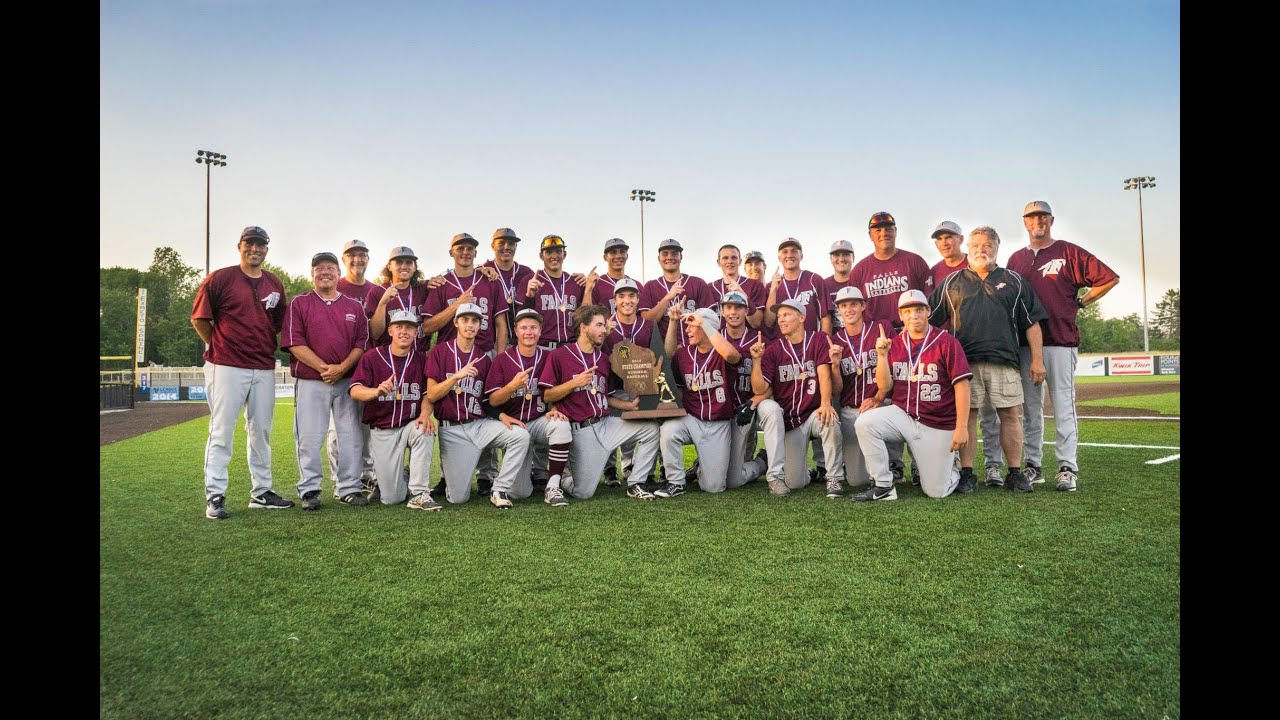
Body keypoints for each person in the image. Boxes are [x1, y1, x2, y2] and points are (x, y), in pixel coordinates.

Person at [1007, 201, 1120, 491]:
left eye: (1042, 216)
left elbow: (1109, 278)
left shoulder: (1068, 252)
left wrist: (1082, 301)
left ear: (1051, 220)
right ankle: (1033, 466)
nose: (1038, 221)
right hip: (1025, 345)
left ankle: (1067, 467)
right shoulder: (1016, 259)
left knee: (1063, 407)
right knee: (1030, 410)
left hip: (1060, 340)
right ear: (1025, 223)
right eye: (1032, 217)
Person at [929, 227, 1047, 494]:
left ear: (997, 247)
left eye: (988, 245)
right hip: (964, 365)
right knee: (967, 416)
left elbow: (1032, 323)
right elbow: (930, 321)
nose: (982, 249)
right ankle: (967, 473)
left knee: (1010, 415)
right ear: (967, 249)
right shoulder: (951, 282)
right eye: (976, 245)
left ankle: (1014, 473)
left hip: (1005, 360)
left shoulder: (1014, 281)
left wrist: (1037, 360)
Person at [191, 225, 293, 519]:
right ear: (240, 246)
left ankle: (262, 492)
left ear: (266, 250)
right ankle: (215, 495)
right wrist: (219, 345)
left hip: (262, 365)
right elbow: (200, 319)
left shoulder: (274, 283)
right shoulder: (221, 278)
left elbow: (277, 323)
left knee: (261, 431)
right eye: (250, 243)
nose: (255, 249)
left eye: (260, 244)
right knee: (222, 431)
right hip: (226, 365)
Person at [852, 290, 972, 501]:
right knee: (865, 422)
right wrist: (882, 356)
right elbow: (885, 386)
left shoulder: (946, 342)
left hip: (937, 422)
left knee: (936, 492)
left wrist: (961, 427)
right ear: (900, 315)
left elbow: (962, 386)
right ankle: (883, 485)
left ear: (928, 311)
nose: (913, 315)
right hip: (904, 415)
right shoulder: (895, 343)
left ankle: (950, 466)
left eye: (918, 310)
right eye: (907, 311)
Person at [539, 304, 661, 500]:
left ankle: (636, 482)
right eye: (599, 325)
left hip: (606, 424)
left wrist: (628, 406)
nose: (604, 330)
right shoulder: (559, 355)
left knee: (651, 430)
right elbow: (547, 396)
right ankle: (564, 476)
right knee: (583, 493)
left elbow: (606, 396)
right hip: (582, 431)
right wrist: (574, 383)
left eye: (604, 325)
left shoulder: (604, 359)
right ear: (583, 327)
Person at [282, 251, 371, 510]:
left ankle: (349, 487)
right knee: (309, 436)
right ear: (312, 274)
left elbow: (361, 343)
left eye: (330, 268)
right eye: (319, 268)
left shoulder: (353, 306)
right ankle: (310, 489)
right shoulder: (299, 303)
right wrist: (325, 369)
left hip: (346, 381)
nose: (325, 272)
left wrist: (341, 368)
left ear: (338, 273)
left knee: (350, 436)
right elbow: (294, 342)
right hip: (311, 380)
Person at [422, 303, 531, 507]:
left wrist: (501, 416)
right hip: (452, 430)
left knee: (520, 435)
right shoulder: (440, 351)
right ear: (456, 323)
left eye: (474, 321)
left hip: (479, 425)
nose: (470, 325)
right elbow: (433, 395)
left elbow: (486, 401)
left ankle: (499, 489)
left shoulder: (484, 358)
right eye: (465, 320)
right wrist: (456, 377)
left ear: (480, 325)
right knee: (457, 499)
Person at [928, 221, 1003, 487]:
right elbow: (930, 315)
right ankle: (962, 466)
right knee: (964, 413)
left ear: (961, 240)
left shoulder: (987, 268)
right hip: (957, 354)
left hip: (993, 351)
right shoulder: (937, 273)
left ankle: (993, 465)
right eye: (940, 238)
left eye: (950, 237)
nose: (945, 242)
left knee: (991, 414)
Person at [348, 309, 442, 510]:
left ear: (415, 333)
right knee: (392, 498)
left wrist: (425, 415)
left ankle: (419, 493)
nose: (404, 331)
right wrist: (375, 391)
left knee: (424, 429)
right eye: (399, 326)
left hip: (409, 425)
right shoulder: (372, 357)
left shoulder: (421, 360)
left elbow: (428, 395)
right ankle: (403, 475)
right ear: (390, 331)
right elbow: (355, 390)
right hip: (383, 429)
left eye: (409, 327)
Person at [749, 298, 844, 497]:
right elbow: (759, 389)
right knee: (795, 482)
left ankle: (833, 478)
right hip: (790, 420)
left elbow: (823, 375)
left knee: (830, 419)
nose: (781, 320)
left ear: (801, 318)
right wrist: (756, 361)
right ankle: (806, 473)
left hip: (814, 413)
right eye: (779, 316)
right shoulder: (774, 349)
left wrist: (825, 404)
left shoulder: (818, 339)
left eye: (787, 315)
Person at [484, 308, 575, 506]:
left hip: (538, 421)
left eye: (533, 327)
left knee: (560, 425)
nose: (529, 332)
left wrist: (555, 406)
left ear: (540, 331)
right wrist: (512, 386)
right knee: (520, 493)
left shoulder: (550, 356)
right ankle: (518, 478)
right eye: (524, 327)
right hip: (514, 426)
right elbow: (492, 401)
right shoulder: (502, 359)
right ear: (516, 331)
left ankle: (553, 486)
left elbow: (559, 388)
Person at [656, 308, 742, 495]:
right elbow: (668, 355)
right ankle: (676, 482)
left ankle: (759, 464)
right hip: (692, 418)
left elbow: (732, 356)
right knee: (669, 430)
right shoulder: (684, 354)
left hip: (718, 422)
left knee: (713, 487)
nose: (687, 330)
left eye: (692, 325)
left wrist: (703, 322)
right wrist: (673, 321)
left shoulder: (723, 350)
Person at [328, 239, 384, 499]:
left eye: (362, 255)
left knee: (365, 428)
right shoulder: (335, 287)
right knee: (337, 430)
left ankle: (366, 476)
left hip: (367, 368)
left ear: (368, 260)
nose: (357, 259)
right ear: (344, 260)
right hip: (341, 368)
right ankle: (338, 480)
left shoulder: (375, 290)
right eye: (351, 255)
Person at [828, 286, 894, 489]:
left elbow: (896, 369)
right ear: (839, 310)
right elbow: (837, 391)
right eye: (843, 306)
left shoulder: (880, 329)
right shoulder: (836, 341)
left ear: (863, 306)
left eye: (853, 304)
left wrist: (879, 397)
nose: (849, 309)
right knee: (857, 481)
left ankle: (894, 465)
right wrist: (835, 366)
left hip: (880, 404)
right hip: (851, 409)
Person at [600, 278, 655, 488]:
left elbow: (657, 357)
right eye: (621, 296)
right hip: (614, 386)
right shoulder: (606, 327)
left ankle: (637, 468)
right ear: (614, 301)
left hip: (641, 387)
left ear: (638, 299)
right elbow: (595, 354)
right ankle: (609, 468)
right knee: (609, 425)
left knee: (644, 426)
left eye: (631, 295)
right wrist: (603, 335)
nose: (627, 300)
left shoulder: (647, 325)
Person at [422, 233, 510, 355]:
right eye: (460, 248)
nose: (465, 252)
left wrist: (500, 359)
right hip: (449, 354)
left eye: (470, 248)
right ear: (451, 253)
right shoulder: (441, 283)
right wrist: (456, 305)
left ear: (475, 253)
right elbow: (427, 328)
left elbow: (501, 325)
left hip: (484, 354)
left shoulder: (490, 281)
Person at [717, 291, 770, 489]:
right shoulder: (715, 339)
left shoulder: (759, 340)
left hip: (748, 408)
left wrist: (755, 401)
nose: (733, 312)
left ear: (746, 311)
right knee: (719, 472)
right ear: (722, 311)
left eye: (738, 307)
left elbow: (773, 383)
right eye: (728, 307)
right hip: (721, 410)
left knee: (733, 479)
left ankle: (762, 461)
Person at [848, 212, 933, 329]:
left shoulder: (915, 261)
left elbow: (929, 301)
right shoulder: (859, 270)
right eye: (878, 230)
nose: (883, 233)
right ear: (870, 235)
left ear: (895, 231)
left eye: (888, 229)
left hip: (910, 331)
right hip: (875, 334)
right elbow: (852, 310)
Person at [517, 235, 596, 350]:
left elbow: (586, 317)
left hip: (571, 347)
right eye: (549, 252)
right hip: (542, 347)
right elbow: (519, 319)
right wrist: (529, 296)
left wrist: (588, 287)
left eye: (558, 251)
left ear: (564, 254)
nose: (554, 256)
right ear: (541, 256)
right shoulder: (531, 281)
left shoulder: (575, 282)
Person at [639, 238, 718, 346]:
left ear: (681, 257)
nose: (669, 257)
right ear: (659, 258)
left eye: (675, 254)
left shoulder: (698, 283)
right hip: (664, 350)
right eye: (665, 254)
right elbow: (646, 323)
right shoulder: (650, 286)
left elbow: (711, 320)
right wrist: (668, 297)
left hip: (695, 349)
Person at [765, 238, 831, 336]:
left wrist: (824, 343)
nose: (789, 255)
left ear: (801, 256)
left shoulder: (814, 280)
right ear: (779, 257)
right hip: (782, 344)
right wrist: (773, 290)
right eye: (785, 252)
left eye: (794, 251)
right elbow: (768, 323)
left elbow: (825, 317)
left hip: (811, 342)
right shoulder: (771, 286)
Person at [372, 246, 431, 351]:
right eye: (398, 262)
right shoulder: (378, 292)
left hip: (420, 356)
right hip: (390, 357)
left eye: (408, 262)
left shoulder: (424, 289)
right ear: (389, 266)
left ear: (415, 267)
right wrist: (382, 304)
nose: (404, 266)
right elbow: (375, 334)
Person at [482, 228, 535, 345]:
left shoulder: (526, 273)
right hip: (493, 343)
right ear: (492, 246)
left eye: (511, 244)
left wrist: (575, 278)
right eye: (501, 243)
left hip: (522, 342)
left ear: (516, 247)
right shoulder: (483, 271)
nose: (506, 247)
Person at [709, 245, 766, 330]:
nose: (729, 261)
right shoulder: (709, 288)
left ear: (740, 261)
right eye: (725, 258)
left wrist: (742, 294)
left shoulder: (755, 285)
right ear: (718, 262)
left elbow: (756, 323)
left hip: (746, 337)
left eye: (734, 258)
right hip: (718, 337)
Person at [588, 238, 641, 315]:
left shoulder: (636, 285)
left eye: (622, 252)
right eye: (613, 252)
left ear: (627, 255)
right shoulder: (596, 284)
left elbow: (643, 317)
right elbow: (588, 316)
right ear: (605, 257)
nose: (618, 256)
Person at [824, 239, 856, 329]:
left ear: (853, 257)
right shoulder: (823, 285)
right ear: (831, 259)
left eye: (846, 254)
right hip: (835, 335)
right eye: (836, 255)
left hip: (861, 334)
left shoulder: (860, 281)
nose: (841, 259)